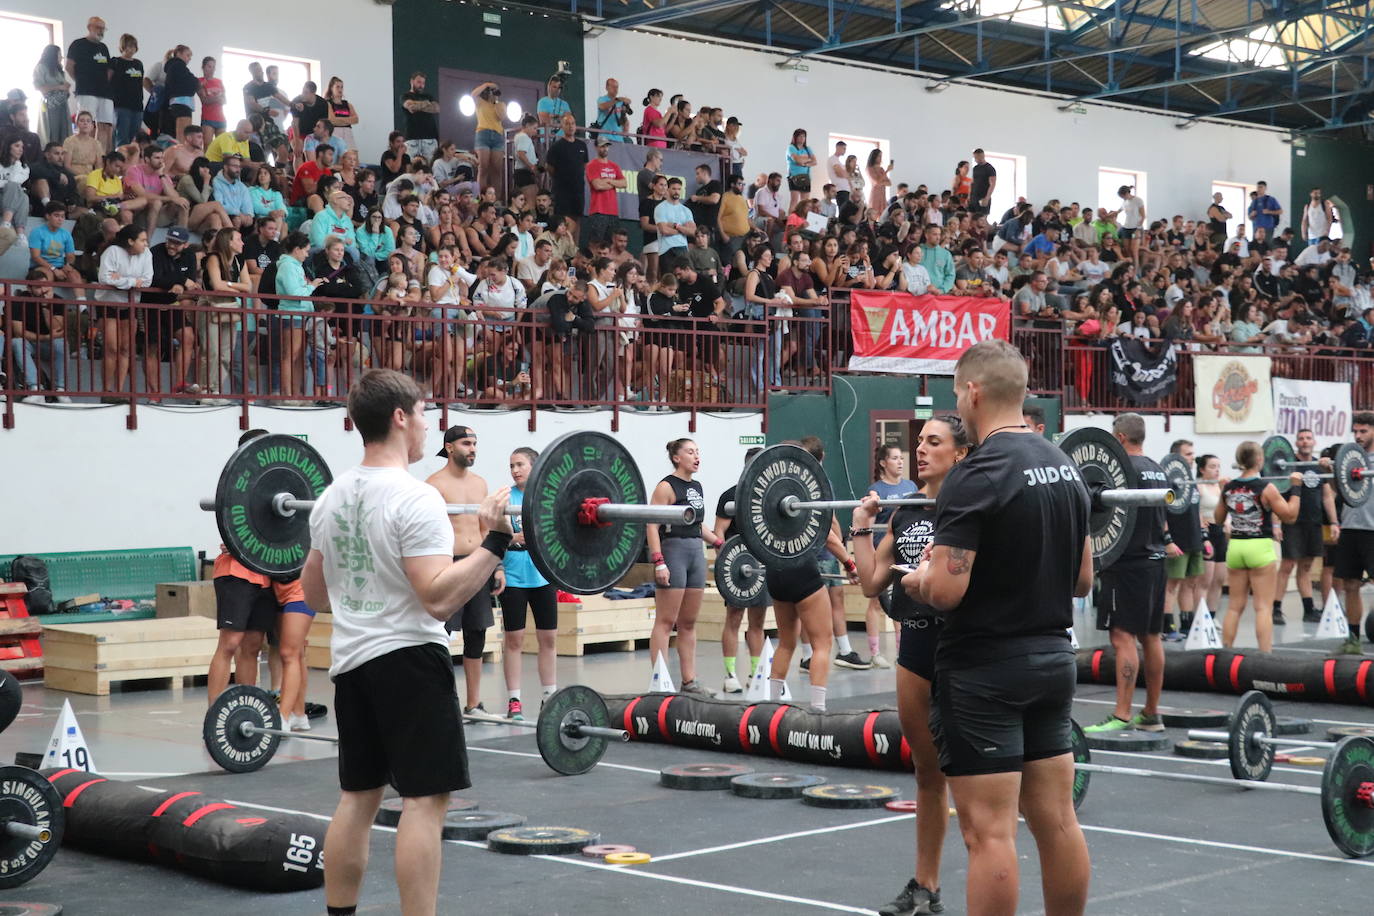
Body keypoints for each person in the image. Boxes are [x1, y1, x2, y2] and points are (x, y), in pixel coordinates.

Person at [300, 369, 511, 916]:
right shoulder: (417, 500)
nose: (428, 424)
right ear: (399, 417)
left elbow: (315, 594)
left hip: (351, 664)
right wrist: (494, 544)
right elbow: (439, 600)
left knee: (359, 797)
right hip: (411, 663)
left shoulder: (330, 497)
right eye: (423, 413)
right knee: (424, 801)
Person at [904, 338, 1092, 916]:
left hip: (985, 672)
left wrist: (915, 580)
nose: (956, 403)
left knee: (989, 834)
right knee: (1057, 819)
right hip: (1053, 663)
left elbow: (946, 590)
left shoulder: (976, 474)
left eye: (957, 392)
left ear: (974, 392)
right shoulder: (1066, 465)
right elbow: (1083, 580)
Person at [854, 416, 970, 916]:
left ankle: (991, 873)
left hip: (966, 649)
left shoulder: (970, 508)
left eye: (933, 442)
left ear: (960, 454)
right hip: (917, 647)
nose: (920, 449)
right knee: (927, 774)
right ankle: (926, 886)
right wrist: (862, 524)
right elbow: (869, 582)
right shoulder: (905, 510)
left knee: (971, 779)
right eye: (919, 441)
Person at [1084, 413, 1175, 732]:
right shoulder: (1159, 468)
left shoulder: (1121, 471)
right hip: (1155, 561)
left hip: (1125, 563)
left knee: (1122, 636)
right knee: (1151, 637)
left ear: (1119, 439)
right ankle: (1151, 713)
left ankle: (1122, 714)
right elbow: (1164, 520)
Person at [425, 426, 504, 716]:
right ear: (449, 447)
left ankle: (473, 704)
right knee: (440, 635)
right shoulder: (433, 484)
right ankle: (440, 703)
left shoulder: (481, 484)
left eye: (474, 443)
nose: (472, 449)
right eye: (466, 443)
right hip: (448, 563)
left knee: (477, 632)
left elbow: (486, 527)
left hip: (477, 562)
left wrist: (495, 565)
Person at [647, 439, 721, 695]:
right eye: (690, 452)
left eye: (698, 452)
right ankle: (661, 682)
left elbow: (697, 524)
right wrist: (659, 561)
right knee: (666, 621)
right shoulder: (666, 487)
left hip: (695, 553)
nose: (696, 456)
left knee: (688, 622)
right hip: (673, 551)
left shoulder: (697, 486)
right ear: (677, 458)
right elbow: (651, 524)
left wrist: (719, 542)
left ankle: (689, 682)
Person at [1216, 440, 1302, 654]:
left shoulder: (1228, 487)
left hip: (1236, 547)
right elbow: (1290, 516)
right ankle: (1265, 656)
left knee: (1234, 607)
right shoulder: (1267, 488)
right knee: (1263, 607)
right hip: (1259, 548)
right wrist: (1297, 487)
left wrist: (1222, 492)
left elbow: (1218, 519)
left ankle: (1226, 652)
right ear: (1261, 460)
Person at [498, 446, 559, 720]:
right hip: (513, 577)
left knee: (548, 638)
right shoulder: (505, 498)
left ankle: (550, 697)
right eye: (512, 465)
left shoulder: (547, 498)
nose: (515, 470)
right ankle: (514, 701)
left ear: (534, 467)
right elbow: (496, 536)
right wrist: (516, 538)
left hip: (543, 576)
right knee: (515, 639)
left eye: (520, 464)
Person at [709, 448, 766, 694]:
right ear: (747, 467)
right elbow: (718, 532)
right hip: (735, 564)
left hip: (760, 563)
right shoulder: (729, 496)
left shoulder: (769, 496)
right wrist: (723, 560)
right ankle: (730, 675)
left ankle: (756, 674)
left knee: (757, 622)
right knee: (734, 618)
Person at [862, 442, 918, 668]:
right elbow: (870, 523)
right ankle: (875, 653)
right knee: (876, 603)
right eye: (895, 458)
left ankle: (901, 650)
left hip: (904, 552)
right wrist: (873, 554)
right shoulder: (877, 490)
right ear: (883, 463)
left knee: (902, 600)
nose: (900, 462)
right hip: (882, 554)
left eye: (901, 458)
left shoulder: (912, 486)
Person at [1274, 429, 1338, 626]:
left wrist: (1334, 522)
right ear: (1296, 442)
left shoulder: (1319, 467)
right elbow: (1275, 494)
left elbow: (1327, 496)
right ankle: (1275, 609)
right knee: (1287, 565)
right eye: (1301, 438)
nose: (1304, 441)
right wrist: (1276, 523)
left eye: (1308, 438)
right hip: (1292, 522)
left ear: (1314, 441)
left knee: (1306, 567)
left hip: (1314, 522)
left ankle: (1309, 610)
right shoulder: (1288, 466)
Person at [1333, 413, 1374, 654]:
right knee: (1350, 584)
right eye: (1356, 432)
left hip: (1373, 530)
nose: (1358, 436)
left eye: (1364, 431)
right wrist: (1332, 470)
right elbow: (1341, 492)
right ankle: (1353, 640)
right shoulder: (1349, 459)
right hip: (1350, 527)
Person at [1162, 439, 1206, 640]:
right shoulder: (1167, 482)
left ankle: (1187, 626)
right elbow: (1161, 514)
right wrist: (1168, 540)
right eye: (1188, 454)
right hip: (1177, 542)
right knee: (1172, 585)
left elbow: (1197, 513)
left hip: (1194, 539)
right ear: (1176, 457)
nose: (1193, 458)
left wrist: (1204, 538)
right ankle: (1167, 627)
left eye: (1192, 453)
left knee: (1190, 583)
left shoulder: (1192, 482)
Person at [1196, 454, 1229, 623]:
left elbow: (1225, 509)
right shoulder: (1199, 486)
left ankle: (1212, 616)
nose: (1216, 470)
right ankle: (1200, 619)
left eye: (1218, 467)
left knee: (1219, 579)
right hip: (1206, 533)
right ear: (1202, 469)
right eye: (1212, 467)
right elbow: (1197, 511)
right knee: (1205, 581)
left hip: (1219, 531)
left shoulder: (1219, 487)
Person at [968, 148, 996, 216]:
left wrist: (987, 198)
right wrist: (969, 196)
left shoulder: (990, 168)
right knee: (971, 218)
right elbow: (972, 183)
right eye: (974, 157)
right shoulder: (975, 168)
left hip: (983, 198)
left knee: (981, 220)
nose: (975, 159)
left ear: (982, 156)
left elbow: (992, 184)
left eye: (976, 157)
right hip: (973, 198)